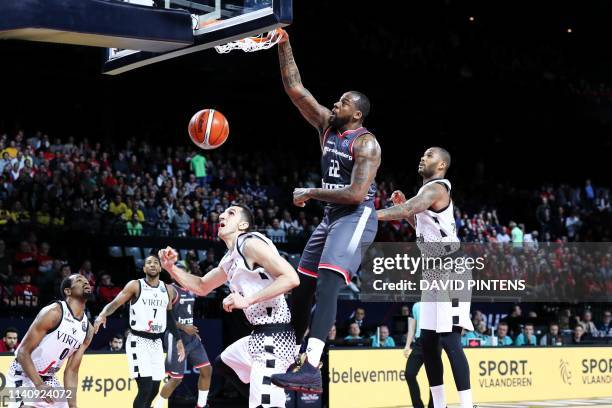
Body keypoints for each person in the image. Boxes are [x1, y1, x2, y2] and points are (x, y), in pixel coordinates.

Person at [271, 28, 381, 394]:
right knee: (302, 288)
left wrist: (311, 191)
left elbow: (354, 194)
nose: (336, 104)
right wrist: (283, 44)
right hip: (331, 218)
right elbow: (295, 90)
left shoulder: (366, 144)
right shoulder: (326, 127)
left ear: (358, 113)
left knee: (330, 284)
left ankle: (312, 367)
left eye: (343, 102)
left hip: (356, 215)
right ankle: (292, 354)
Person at [158, 204, 300, 408]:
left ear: (243, 225)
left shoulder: (249, 243)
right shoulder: (231, 258)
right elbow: (201, 286)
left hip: (274, 338)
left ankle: (267, 397)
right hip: (258, 336)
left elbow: (291, 278)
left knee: (265, 404)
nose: (222, 215)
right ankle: (265, 395)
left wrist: (247, 300)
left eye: (231, 213)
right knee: (224, 364)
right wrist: (171, 268)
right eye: (222, 213)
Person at [376, 147, 474, 408]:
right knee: (429, 340)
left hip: (452, 266)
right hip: (433, 269)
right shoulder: (425, 193)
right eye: (422, 154)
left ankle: (467, 404)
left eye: (429, 155)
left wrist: (369, 216)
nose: (422, 157)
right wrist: (405, 210)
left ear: (441, 165)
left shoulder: (438, 187)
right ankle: (438, 405)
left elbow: (409, 209)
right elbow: (420, 226)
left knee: (450, 339)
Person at [94, 255, 186, 408]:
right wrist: (102, 315)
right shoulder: (136, 285)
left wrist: (178, 340)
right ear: (144, 268)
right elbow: (116, 303)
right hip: (138, 340)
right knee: (145, 387)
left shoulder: (167, 289)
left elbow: (169, 317)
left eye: (156, 262)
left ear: (160, 268)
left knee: (155, 388)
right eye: (148, 263)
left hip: (157, 342)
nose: (152, 265)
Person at [6, 274, 94, 408]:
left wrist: (73, 405)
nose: (86, 283)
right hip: (23, 373)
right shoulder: (54, 313)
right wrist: (39, 385)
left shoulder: (88, 330)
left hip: (49, 379)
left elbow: (72, 370)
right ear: (68, 291)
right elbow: (23, 352)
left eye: (87, 281)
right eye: (79, 280)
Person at [154, 269, 212, 408]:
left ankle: (201, 405)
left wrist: (190, 328)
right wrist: (185, 328)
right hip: (175, 337)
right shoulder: (170, 289)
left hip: (191, 337)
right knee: (176, 380)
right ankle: (157, 406)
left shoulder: (191, 289)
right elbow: (163, 317)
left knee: (207, 370)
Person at [404, 302, 433, 408]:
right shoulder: (416, 306)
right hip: (419, 343)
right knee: (409, 374)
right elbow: (411, 328)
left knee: (434, 377)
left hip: (434, 342)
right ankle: (418, 406)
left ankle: (433, 405)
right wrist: (407, 345)